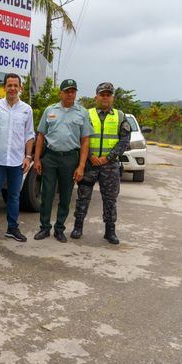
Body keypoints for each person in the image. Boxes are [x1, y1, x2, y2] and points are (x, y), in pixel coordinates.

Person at [71, 82, 131, 244]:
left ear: (112, 97)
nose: (105, 97)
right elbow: (79, 137)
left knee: (110, 199)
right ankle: (78, 227)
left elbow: (124, 140)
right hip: (89, 163)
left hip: (110, 166)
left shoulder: (120, 116)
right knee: (83, 197)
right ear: (96, 96)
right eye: (102, 94)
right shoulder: (87, 114)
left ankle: (110, 231)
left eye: (108, 95)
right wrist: (90, 156)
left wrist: (108, 158)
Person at [33, 79, 92, 243]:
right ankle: (44, 228)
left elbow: (85, 140)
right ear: (61, 93)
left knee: (65, 195)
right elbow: (41, 136)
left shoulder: (82, 112)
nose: (70, 94)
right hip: (50, 157)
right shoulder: (50, 110)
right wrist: (37, 159)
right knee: (47, 194)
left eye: (73, 91)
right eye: (67, 91)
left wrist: (80, 166)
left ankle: (59, 229)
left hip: (70, 158)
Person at [0, 73, 35, 242]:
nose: (12, 88)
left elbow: (29, 135)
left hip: (16, 161)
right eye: (9, 85)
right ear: (4, 87)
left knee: (14, 196)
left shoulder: (26, 109)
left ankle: (12, 228)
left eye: (15, 85)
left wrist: (28, 156)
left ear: (20, 88)